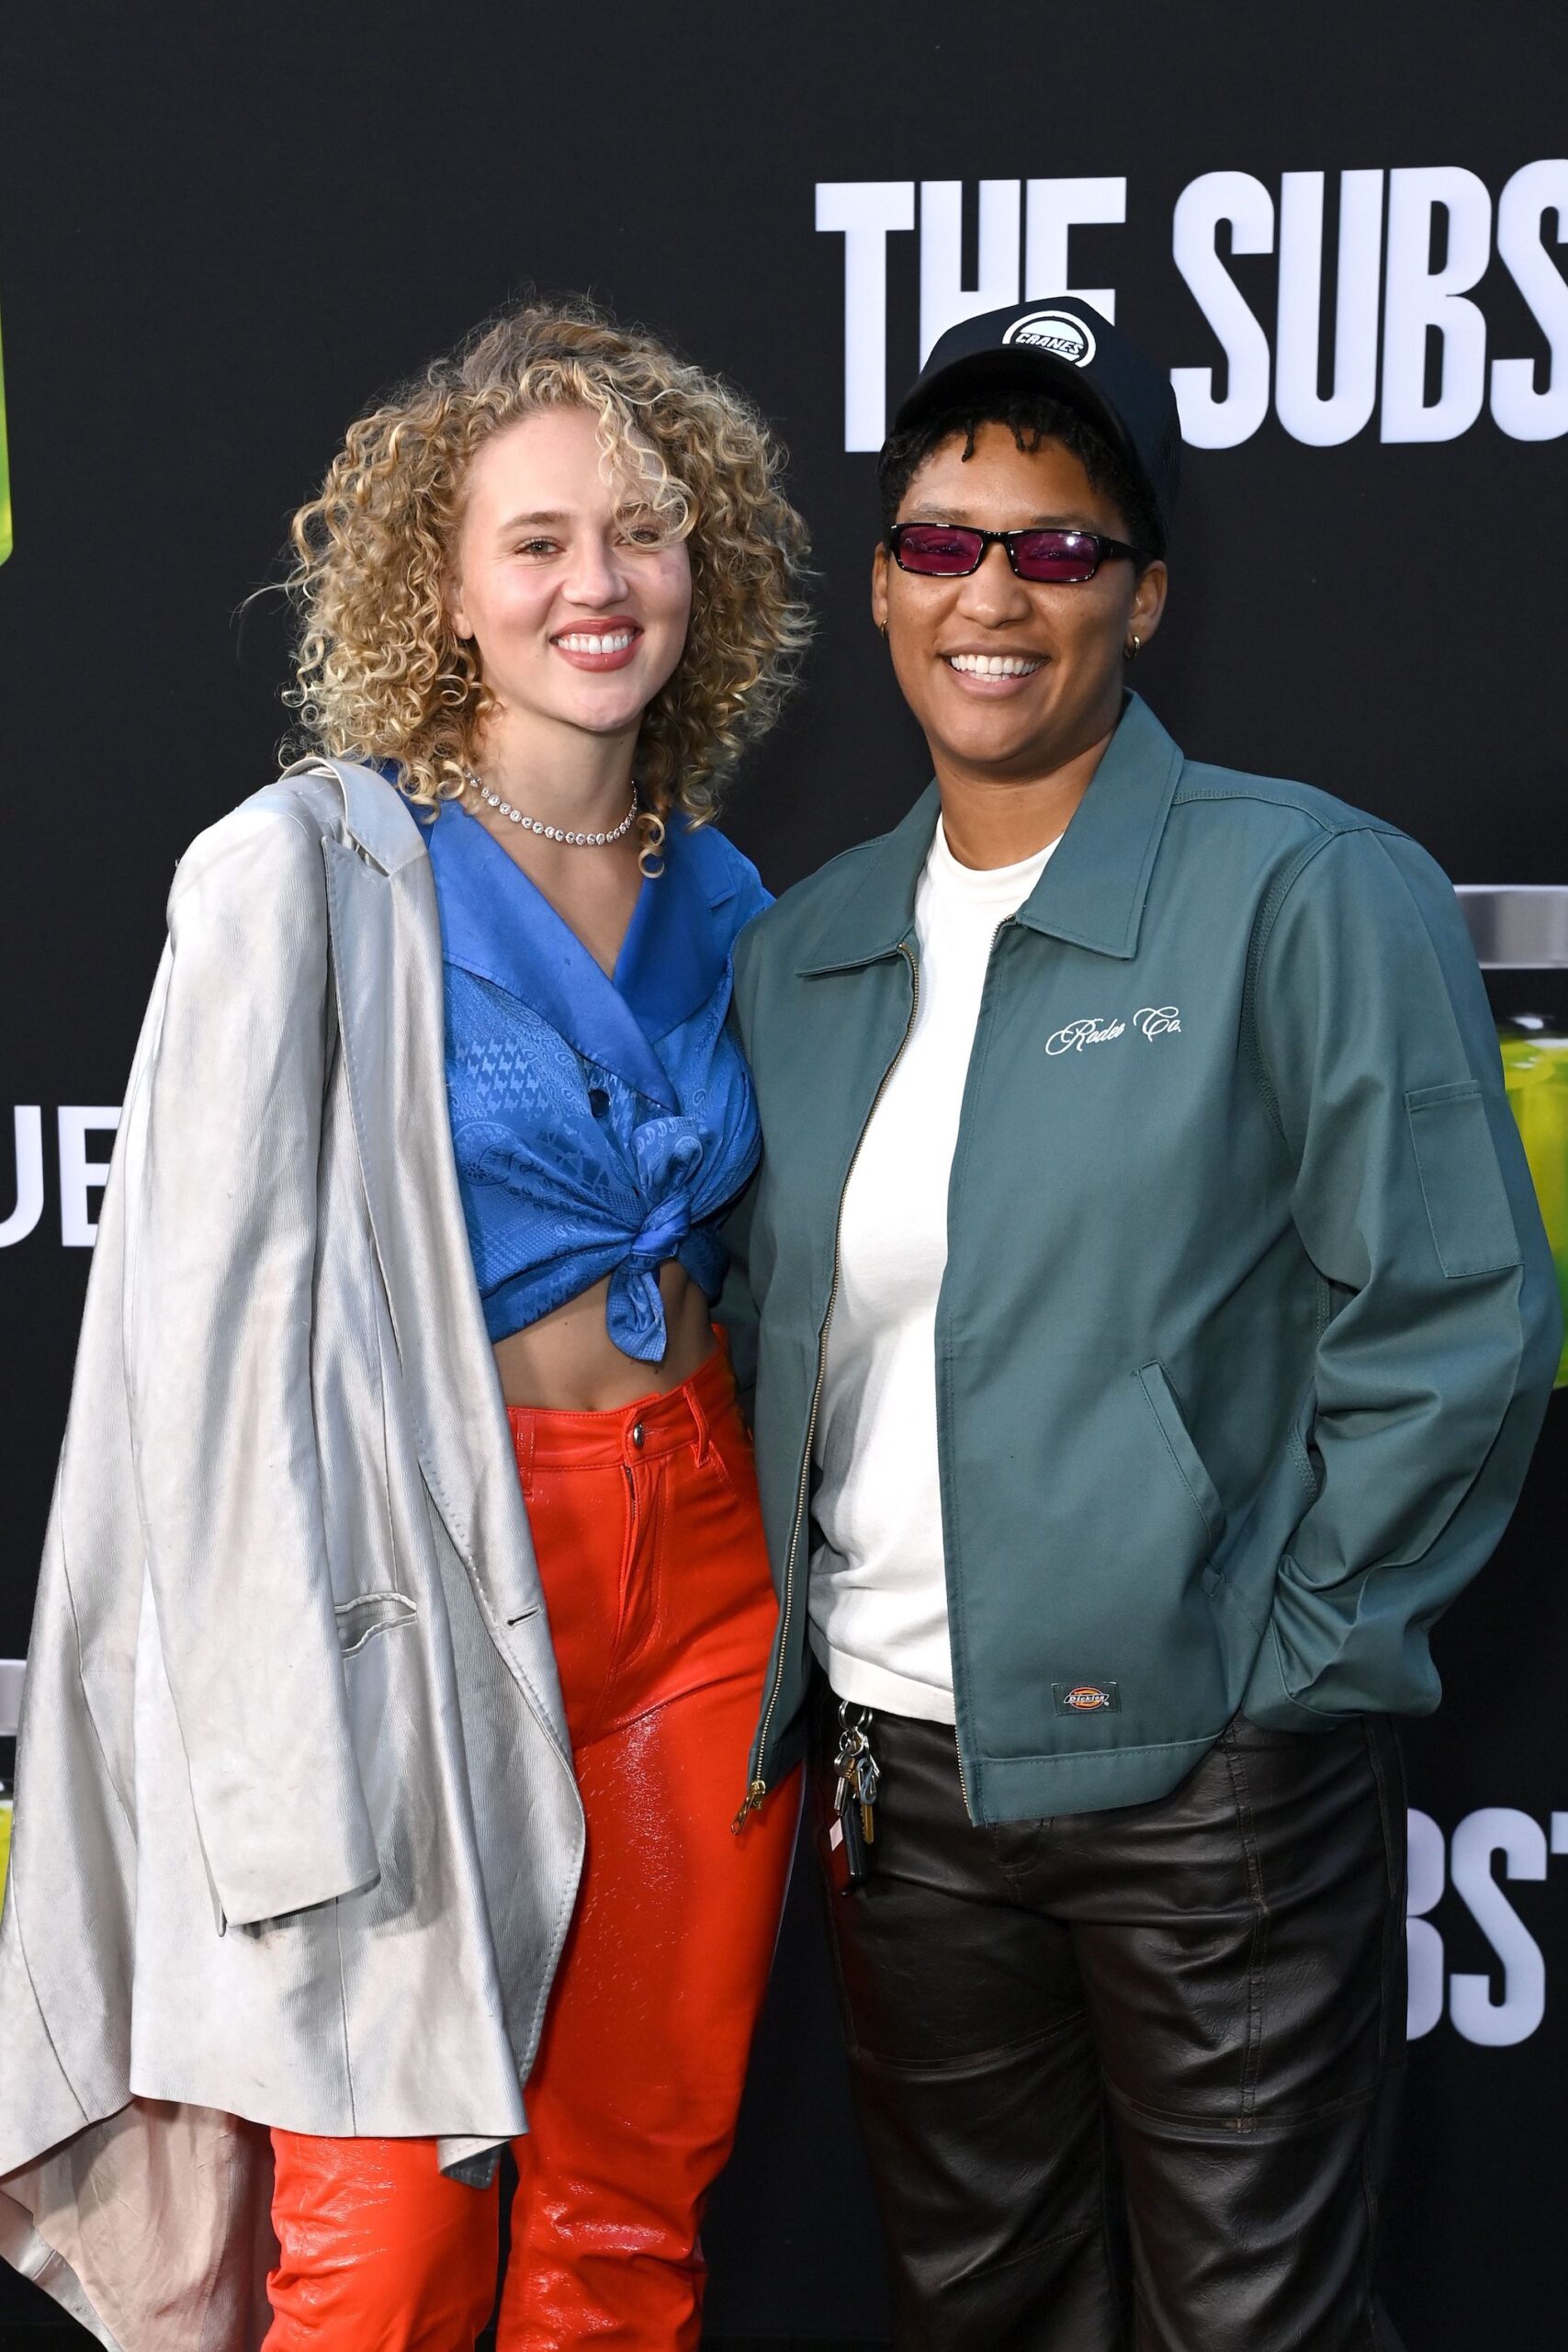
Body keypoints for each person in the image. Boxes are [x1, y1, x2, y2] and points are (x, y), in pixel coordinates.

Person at [719, 297, 1560, 2349]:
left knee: (1249, 2325)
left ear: (1142, 594)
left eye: (1054, 544)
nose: (986, 591)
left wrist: (1284, 1674)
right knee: (982, 2314)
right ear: (882, 580)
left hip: (1207, 1792)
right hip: (904, 1793)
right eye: (937, 540)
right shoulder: (807, 941)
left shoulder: (1300, 884)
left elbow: (1455, 1309)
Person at [0, 299, 810, 2351]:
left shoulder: (735, 899)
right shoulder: (303, 874)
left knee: (627, 2219)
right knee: (382, 2242)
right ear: (440, 590)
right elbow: (201, 1352)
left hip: (704, 1583)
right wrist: (278, 1752)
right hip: (420, 1597)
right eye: (535, 540)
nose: (594, 581)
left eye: (638, 531)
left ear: (699, 566)